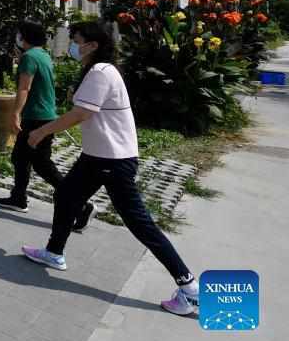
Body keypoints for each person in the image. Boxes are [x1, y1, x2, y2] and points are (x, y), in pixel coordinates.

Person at [21, 21, 199, 316]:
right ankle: (53, 252)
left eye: (76, 40)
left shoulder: (101, 72)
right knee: (65, 196)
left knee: (139, 223)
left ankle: (189, 287)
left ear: (92, 45)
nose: (73, 45)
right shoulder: (97, 70)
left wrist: (41, 132)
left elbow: (81, 113)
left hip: (113, 161)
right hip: (97, 157)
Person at [0, 21, 95, 233]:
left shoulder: (30, 57)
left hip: (36, 117)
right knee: (20, 157)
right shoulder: (42, 55)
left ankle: (81, 206)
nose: (18, 37)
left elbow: (24, 88)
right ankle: (18, 197)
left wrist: (15, 113)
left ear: (25, 36)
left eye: (19, 34)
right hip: (44, 115)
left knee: (41, 164)